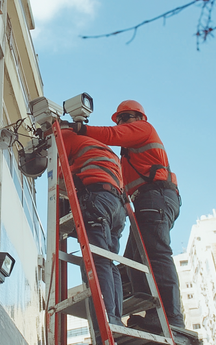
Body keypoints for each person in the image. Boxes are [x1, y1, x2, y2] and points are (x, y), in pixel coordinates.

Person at [74, 100, 185, 331]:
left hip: (156, 197)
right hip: (151, 200)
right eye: (120, 119)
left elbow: (112, 134)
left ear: (138, 117)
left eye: (125, 118)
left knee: (156, 255)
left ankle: (171, 318)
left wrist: (80, 129)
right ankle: (153, 313)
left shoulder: (144, 129)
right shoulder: (129, 155)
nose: (122, 123)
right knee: (135, 260)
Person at [60, 122, 127, 329]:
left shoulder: (66, 136)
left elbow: (58, 169)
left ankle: (105, 320)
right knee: (108, 261)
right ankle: (115, 318)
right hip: (117, 206)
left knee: (98, 261)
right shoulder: (103, 147)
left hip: (97, 198)